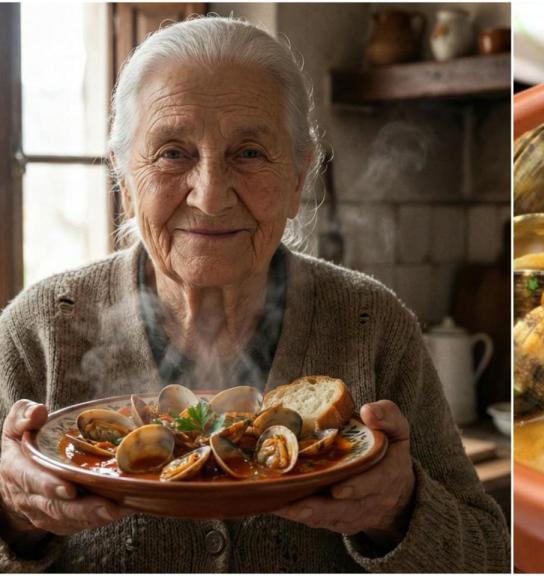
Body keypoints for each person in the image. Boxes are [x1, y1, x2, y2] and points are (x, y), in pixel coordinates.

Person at [0, 15, 509, 572]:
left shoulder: (372, 323)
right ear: (124, 178)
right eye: (172, 152)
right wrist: (14, 515)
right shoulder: (39, 329)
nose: (211, 196)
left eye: (249, 153)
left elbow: (486, 554)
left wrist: (400, 509)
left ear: (297, 178)